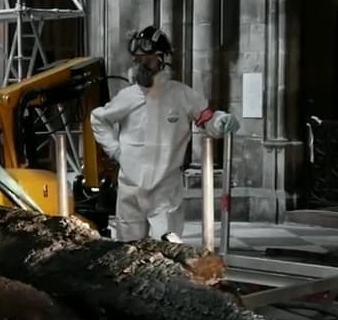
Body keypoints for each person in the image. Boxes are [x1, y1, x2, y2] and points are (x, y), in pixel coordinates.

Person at [89, 26, 241, 243]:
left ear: (162, 60)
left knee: (168, 248)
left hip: (165, 191)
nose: (142, 66)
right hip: (130, 190)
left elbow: (207, 119)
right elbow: (98, 119)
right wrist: (115, 151)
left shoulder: (180, 94)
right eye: (138, 60)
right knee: (126, 253)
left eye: (148, 60)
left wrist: (220, 121)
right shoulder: (128, 97)